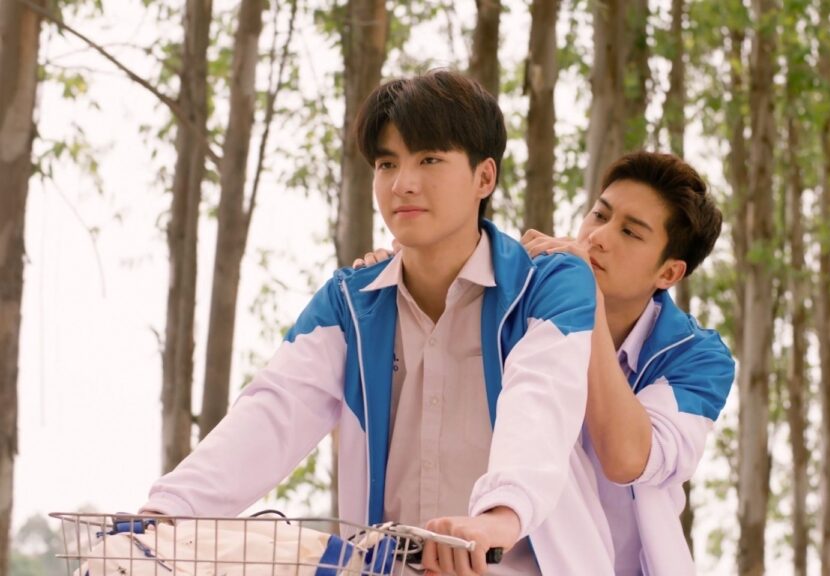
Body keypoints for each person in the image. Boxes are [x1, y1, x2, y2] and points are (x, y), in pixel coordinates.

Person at [141, 70, 616, 576]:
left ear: (484, 177)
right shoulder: (350, 302)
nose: (402, 183)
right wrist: (164, 512)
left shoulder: (548, 285)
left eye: (429, 159)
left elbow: (541, 399)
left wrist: (499, 516)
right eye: (387, 163)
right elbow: (274, 409)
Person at [358, 151, 735, 575]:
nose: (599, 237)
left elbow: (626, 457)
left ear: (668, 273)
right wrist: (406, 274)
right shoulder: (522, 293)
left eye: (630, 232)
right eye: (599, 215)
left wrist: (582, 300)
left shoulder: (698, 358)